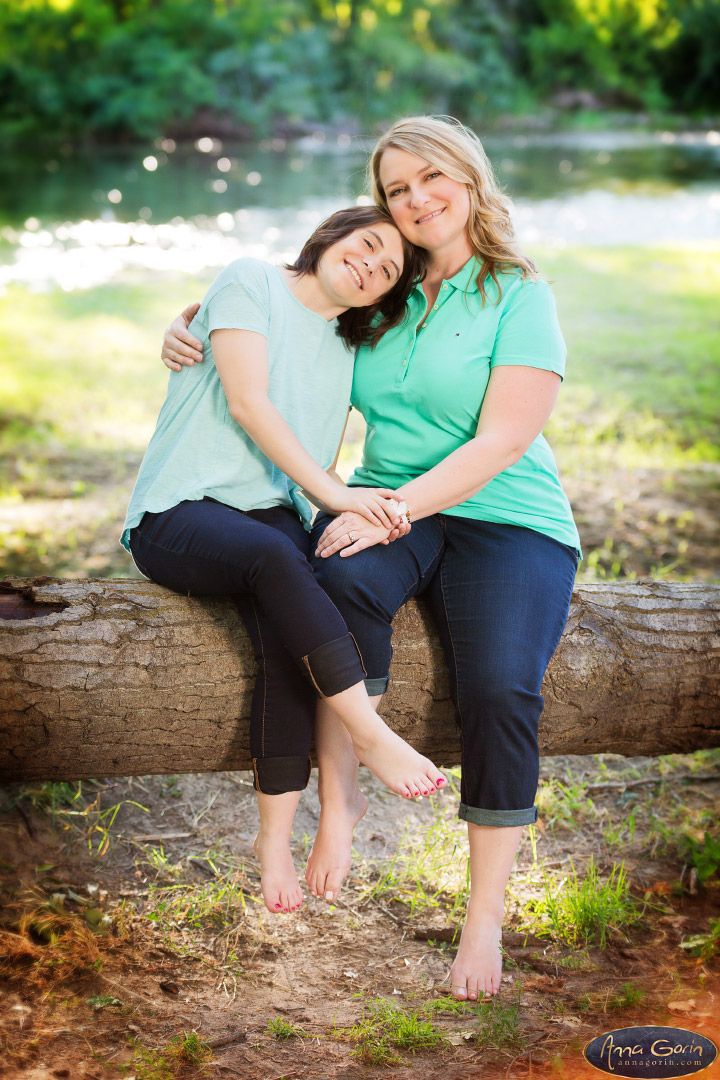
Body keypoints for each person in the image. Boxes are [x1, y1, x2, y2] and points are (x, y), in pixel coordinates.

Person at [161, 116, 581, 1002]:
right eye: (396, 189)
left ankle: (484, 915)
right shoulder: (382, 288)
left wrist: (389, 509)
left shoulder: (520, 295)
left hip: (503, 517)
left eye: (431, 179)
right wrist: (189, 320)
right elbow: (285, 299)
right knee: (337, 578)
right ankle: (341, 810)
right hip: (392, 508)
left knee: (502, 685)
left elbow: (505, 438)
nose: (415, 200)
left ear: (469, 178)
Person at [123, 205, 446, 917]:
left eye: (386, 271)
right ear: (330, 235)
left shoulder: (347, 346)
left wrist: (351, 502)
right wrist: (336, 495)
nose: (369, 266)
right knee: (277, 555)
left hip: (267, 518)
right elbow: (246, 400)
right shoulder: (248, 280)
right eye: (365, 246)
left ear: (381, 298)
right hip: (179, 511)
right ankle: (369, 732)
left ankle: (273, 841)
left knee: (284, 635)